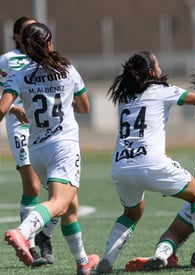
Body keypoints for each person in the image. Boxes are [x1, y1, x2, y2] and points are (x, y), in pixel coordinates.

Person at [95, 51, 195, 273]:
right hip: (151, 163)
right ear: (151, 72)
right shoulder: (162, 90)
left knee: (131, 214)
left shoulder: (125, 97)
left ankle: (106, 262)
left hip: (121, 165)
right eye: (157, 64)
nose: (160, 67)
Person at [1, 22, 99, 274]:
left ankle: (82, 263)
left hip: (37, 152)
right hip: (63, 146)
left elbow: (2, 109)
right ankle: (23, 232)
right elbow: (85, 107)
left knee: (70, 207)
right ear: (49, 42)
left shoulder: (19, 75)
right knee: (58, 202)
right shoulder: (67, 69)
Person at [0, 16, 57, 267]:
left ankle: (45, 236)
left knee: (61, 192)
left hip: (47, 127)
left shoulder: (48, 58)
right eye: (25, 31)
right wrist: (14, 109)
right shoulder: (7, 60)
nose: (30, 35)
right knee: (33, 187)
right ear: (16, 37)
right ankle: (30, 246)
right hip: (20, 127)